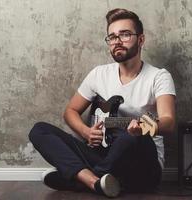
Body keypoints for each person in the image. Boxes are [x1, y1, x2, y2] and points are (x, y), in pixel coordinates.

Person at [29, 8, 176, 198]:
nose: (117, 42)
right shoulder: (99, 74)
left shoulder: (159, 76)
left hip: (143, 167)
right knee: (39, 130)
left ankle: (78, 177)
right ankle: (96, 182)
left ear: (141, 40)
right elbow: (70, 111)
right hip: (104, 155)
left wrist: (142, 128)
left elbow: (168, 122)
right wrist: (86, 132)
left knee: (131, 137)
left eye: (125, 35)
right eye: (112, 37)